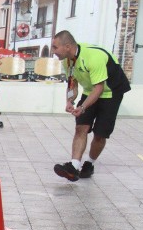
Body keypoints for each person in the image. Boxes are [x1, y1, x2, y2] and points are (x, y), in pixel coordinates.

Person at [51, 30, 131, 181]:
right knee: (81, 127)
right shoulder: (67, 61)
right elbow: (72, 83)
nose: (53, 51)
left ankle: (89, 164)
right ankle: (73, 167)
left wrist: (82, 108)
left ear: (67, 46)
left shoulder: (93, 57)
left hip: (111, 92)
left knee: (100, 134)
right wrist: (70, 100)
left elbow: (99, 88)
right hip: (90, 90)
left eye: (55, 47)